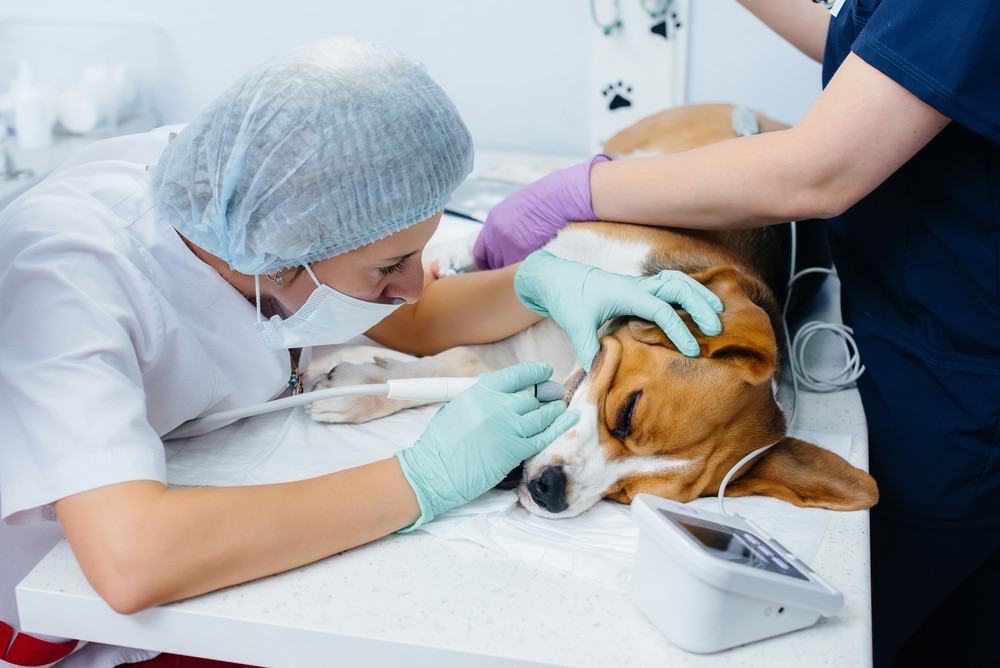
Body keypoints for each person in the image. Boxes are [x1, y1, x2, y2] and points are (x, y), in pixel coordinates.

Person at [0, 37, 723, 667]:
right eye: (390, 266)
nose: (417, 285)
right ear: (279, 257)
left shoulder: (254, 202)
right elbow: (134, 560)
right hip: (68, 616)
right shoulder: (66, 281)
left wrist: (545, 283)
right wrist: (424, 478)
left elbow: (407, 316)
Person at [472, 1, 1000, 666]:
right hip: (900, 318)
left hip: (957, 375)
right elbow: (870, 46)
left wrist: (584, 189)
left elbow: (821, 170)